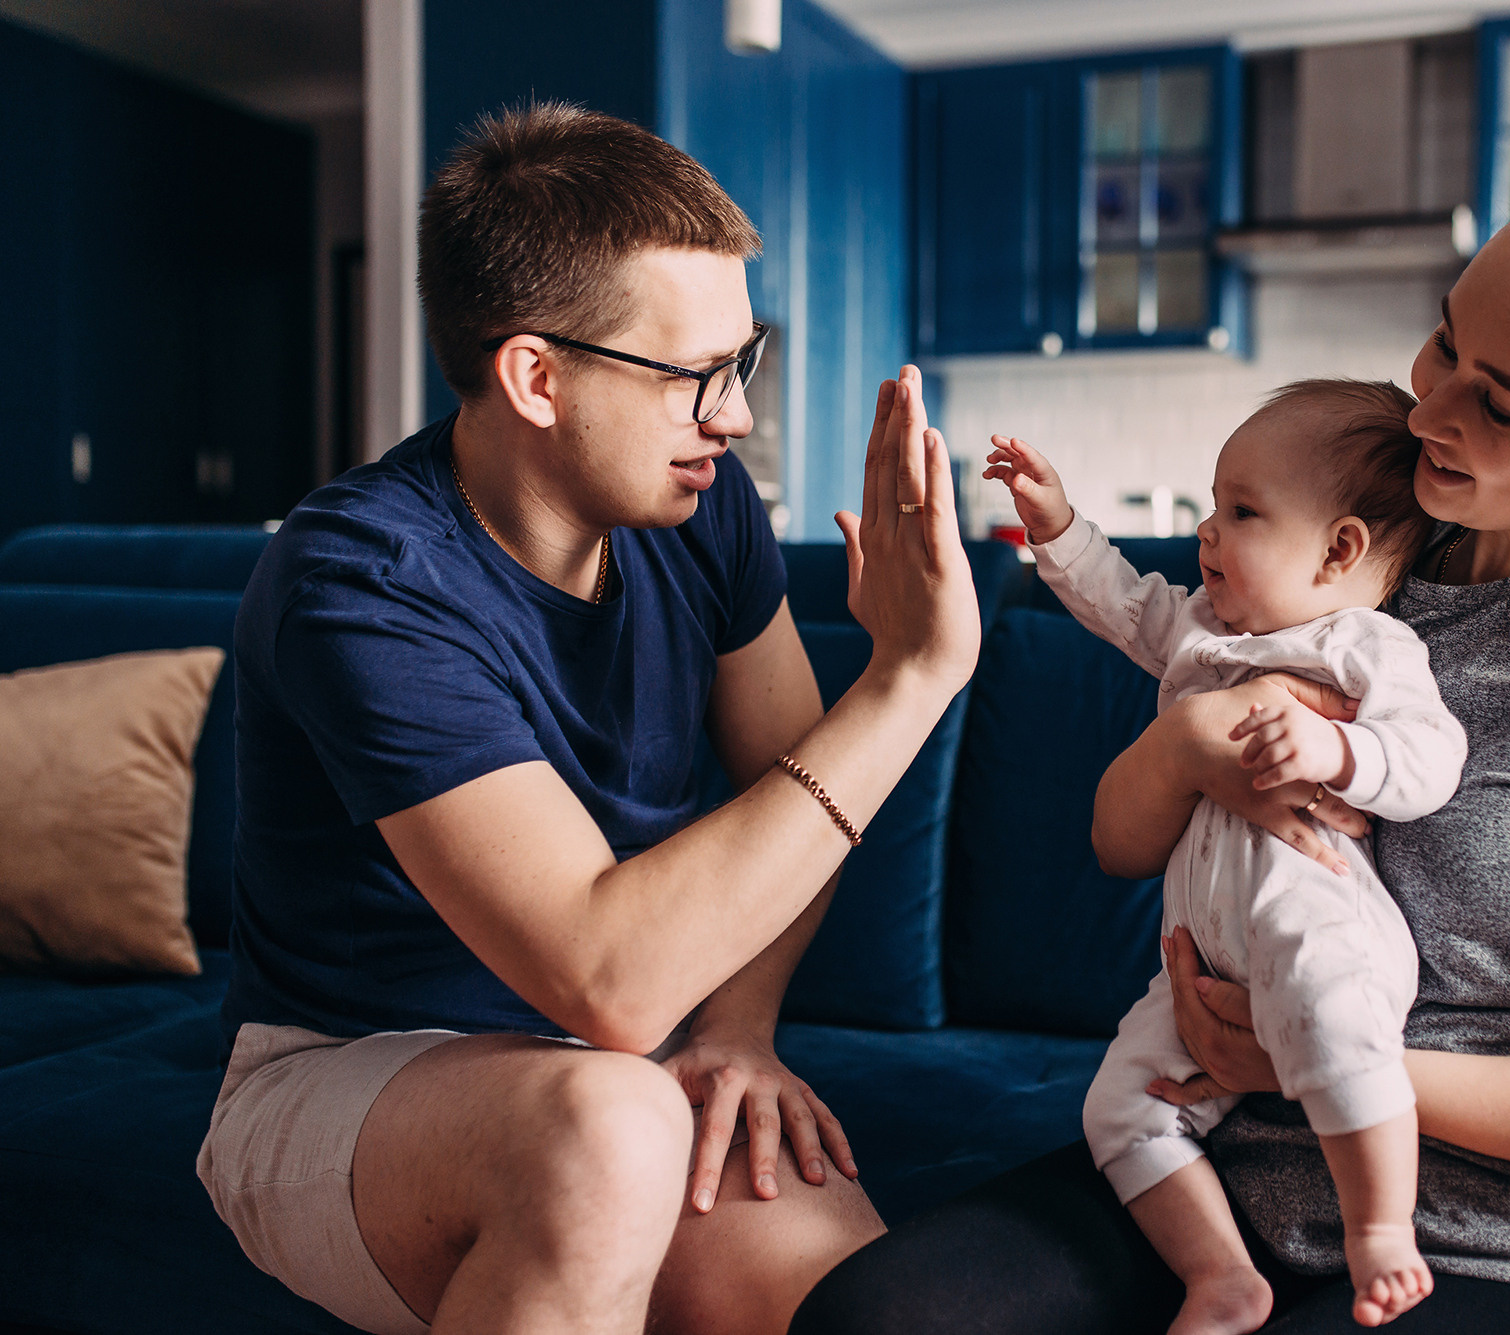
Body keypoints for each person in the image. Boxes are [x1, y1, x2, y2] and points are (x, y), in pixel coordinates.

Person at [792, 157, 1510, 1335]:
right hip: (1219, 1165)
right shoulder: (1347, 532)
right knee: (870, 1320)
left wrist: (1312, 1059)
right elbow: (1122, 835)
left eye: (1501, 406)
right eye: (1444, 343)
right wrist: (1183, 743)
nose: (1428, 412)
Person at [195, 103, 982, 1335]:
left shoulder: (703, 507)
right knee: (611, 1128)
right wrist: (911, 675)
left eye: (741, 362)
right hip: (343, 1071)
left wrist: (739, 1029)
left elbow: (786, 798)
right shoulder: (360, 581)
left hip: (630, 1069)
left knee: (869, 1313)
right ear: (536, 377)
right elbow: (606, 980)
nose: (734, 416)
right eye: (692, 377)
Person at [982, 380, 1466, 1331]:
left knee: (1339, 1021)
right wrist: (1057, 526)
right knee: (1119, 1106)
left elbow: (1431, 757)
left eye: (1242, 511)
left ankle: (1380, 1229)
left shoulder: (1365, 645)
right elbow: (1123, 604)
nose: (1207, 531)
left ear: (1339, 550)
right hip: (1201, 957)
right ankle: (1222, 1276)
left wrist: (1338, 750)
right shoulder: (1204, 627)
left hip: (1315, 919)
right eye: (1213, 503)